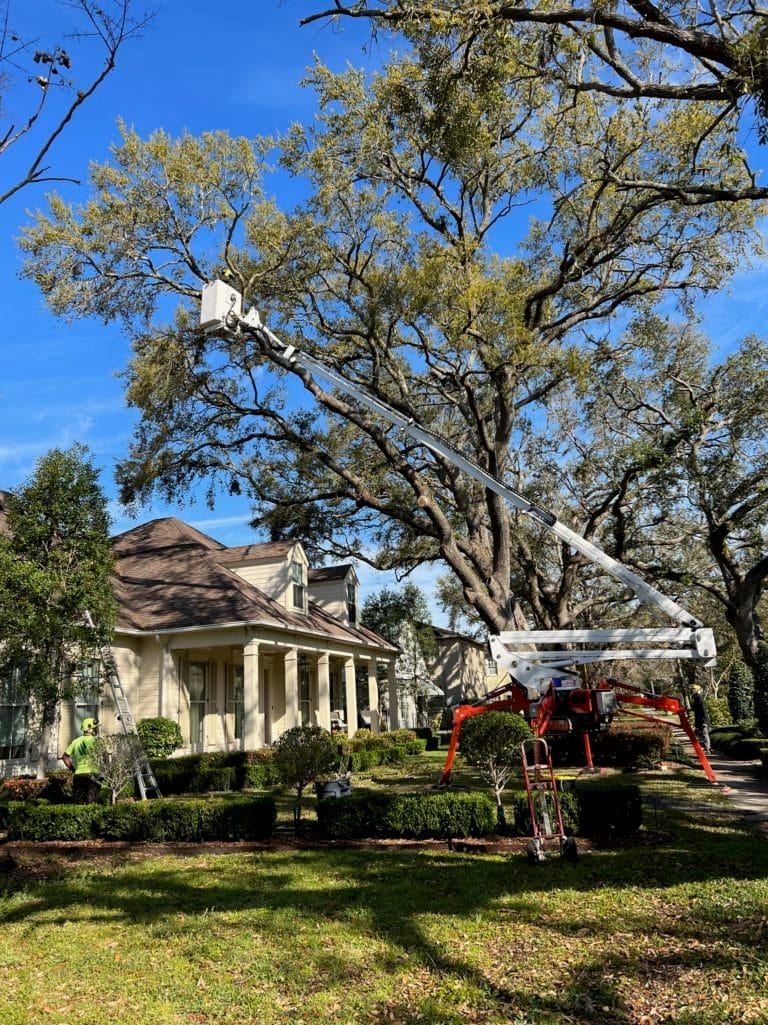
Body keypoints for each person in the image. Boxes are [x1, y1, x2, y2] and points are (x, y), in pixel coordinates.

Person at [62, 717, 102, 804]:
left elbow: (65, 757)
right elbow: (104, 757)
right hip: (93, 775)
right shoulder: (97, 741)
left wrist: (73, 769)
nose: (96, 730)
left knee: (78, 804)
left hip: (79, 775)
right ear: (90, 729)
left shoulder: (75, 742)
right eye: (95, 728)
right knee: (92, 804)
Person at [690, 686, 711, 756]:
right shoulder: (696, 699)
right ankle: (707, 747)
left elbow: (704, 711)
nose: (692, 691)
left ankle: (707, 749)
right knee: (699, 733)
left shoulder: (700, 699)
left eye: (694, 690)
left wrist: (704, 722)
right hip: (700, 721)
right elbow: (694, 709)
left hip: (703, 721)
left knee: (705, 735)